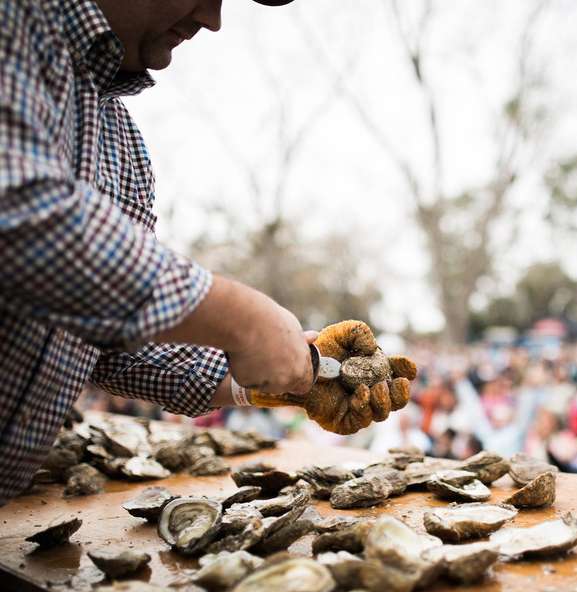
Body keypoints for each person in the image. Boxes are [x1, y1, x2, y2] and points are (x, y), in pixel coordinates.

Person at [0, 0, 345, 505]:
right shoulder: (14, 19)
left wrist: (263, 378)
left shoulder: (124, 146)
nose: (213, 19)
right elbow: (21, 218)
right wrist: (244, 321)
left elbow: (108, 344)